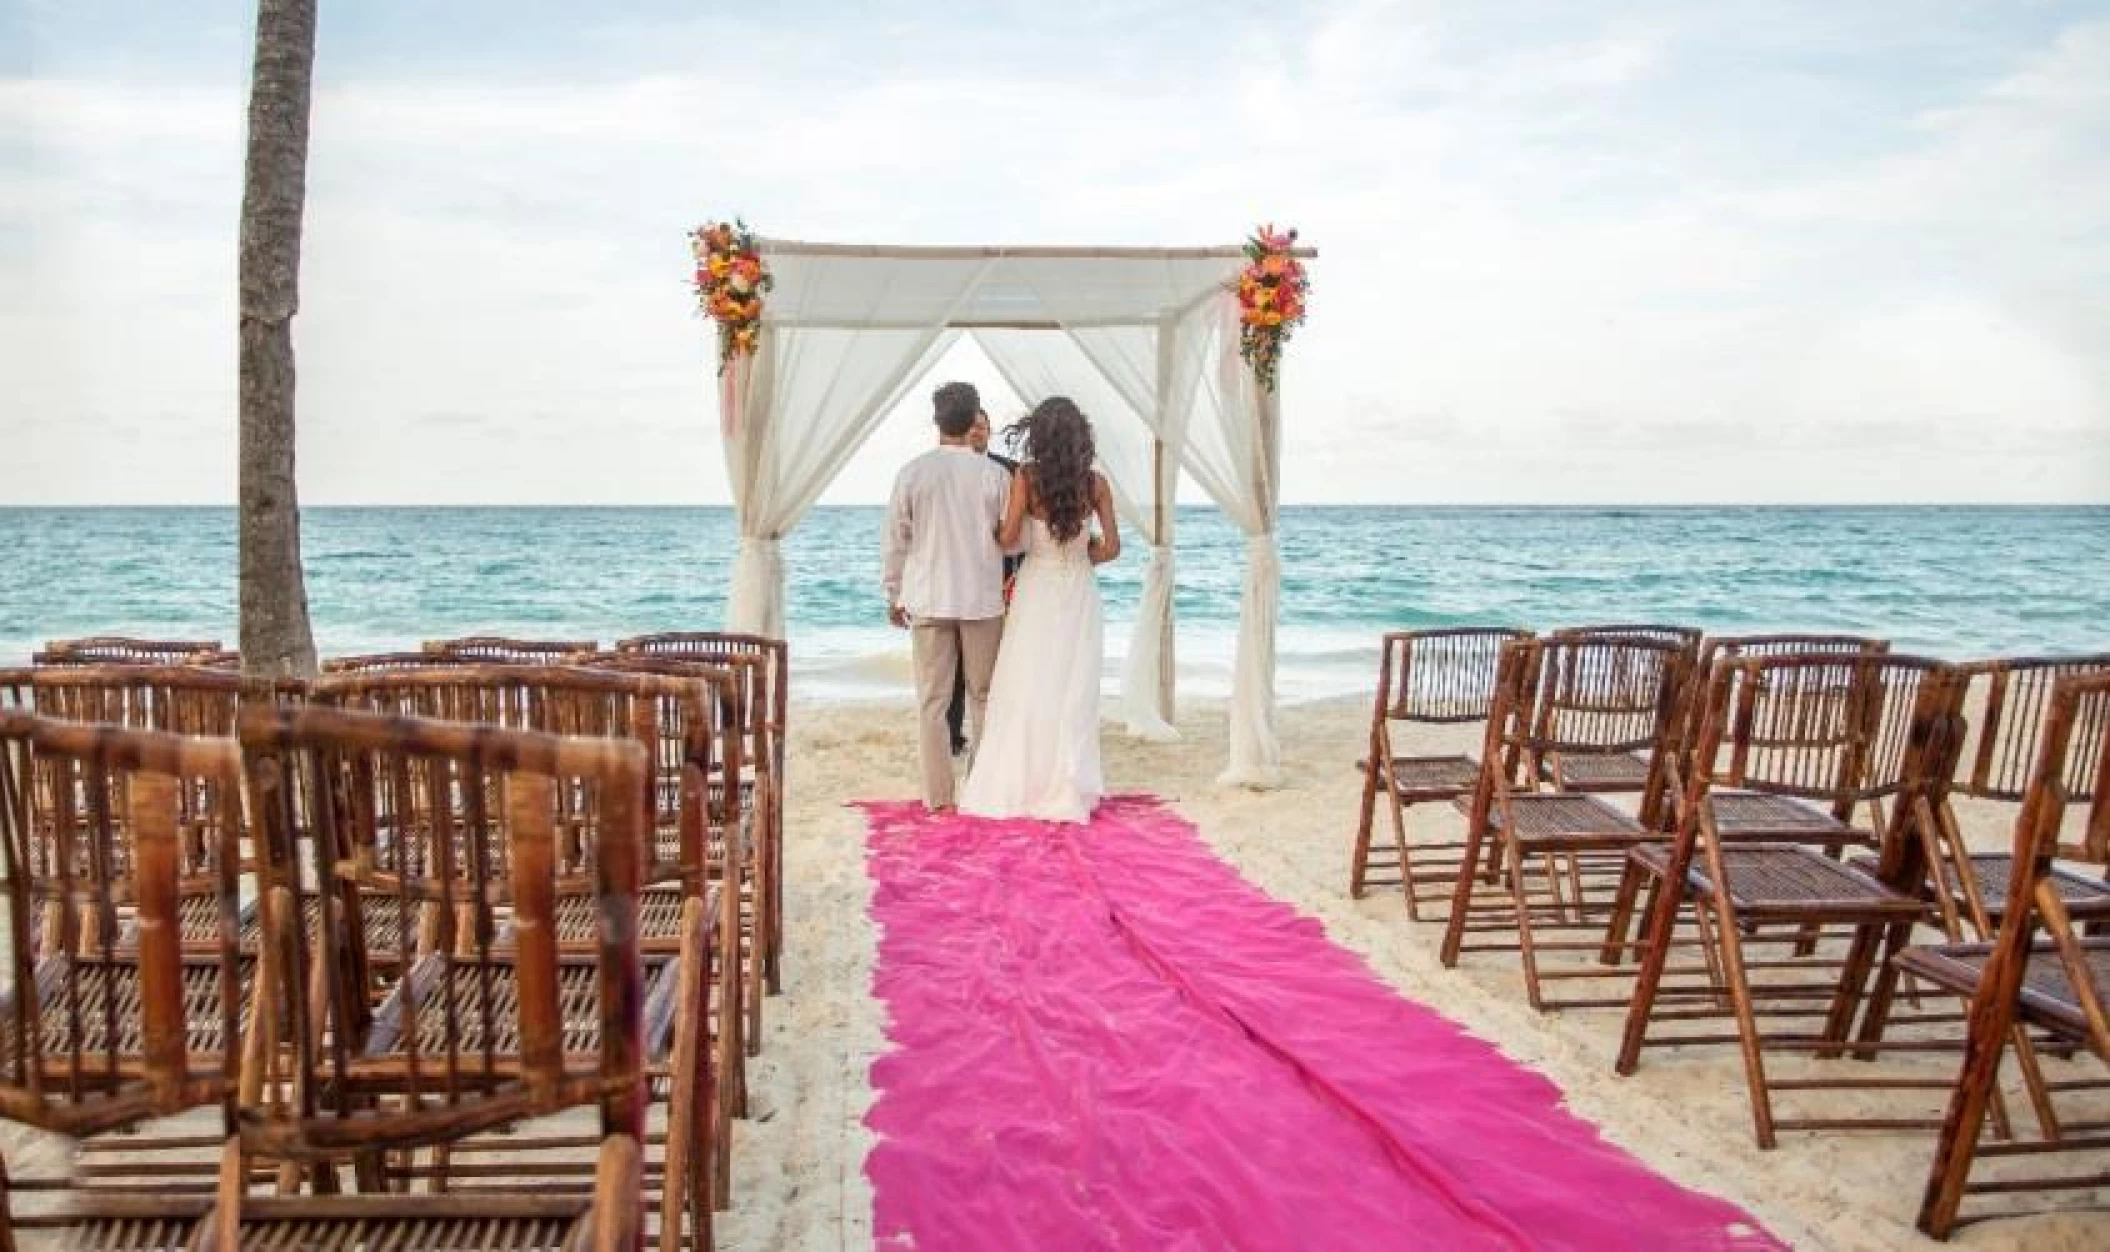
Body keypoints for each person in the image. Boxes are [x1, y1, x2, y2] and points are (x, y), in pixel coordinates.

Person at [960, 396, 1120, 823]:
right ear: (1080, 437)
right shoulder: (1096, 483)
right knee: (1073, 686)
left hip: (1036, 587)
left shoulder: (1027, 478)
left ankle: (1024, 780)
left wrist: (1003, 532)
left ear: (1039, 436)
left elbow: (1008, 538)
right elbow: (1113, 548)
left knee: (1028, 683)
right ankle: (1067, 782)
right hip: (1079, 590)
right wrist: (1084, 555)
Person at [882, 381, 1012, 814]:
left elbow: (896, 540)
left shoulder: (912, 473)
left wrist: (893, 593)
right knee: (984, 697)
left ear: (937, 421)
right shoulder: (995, 475)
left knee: (932, 703)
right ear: (973, 418)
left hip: (929, 598)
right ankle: (980, 788)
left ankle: (939, 799)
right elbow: (1011, 543)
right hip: (982, 599)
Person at [947, 409, 1019, 756]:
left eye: (982, 425)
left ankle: (998, 737)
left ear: (989, 430)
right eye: (971, 425)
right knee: (955, 667)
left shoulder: (1007, 470)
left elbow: (1017, 529)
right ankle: (952, 735)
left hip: (999, 579)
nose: (977, 431)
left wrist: (1016, 577)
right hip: (951, 581)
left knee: (997, 666)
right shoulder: (941, 470)